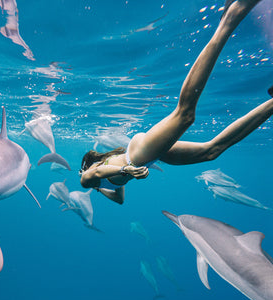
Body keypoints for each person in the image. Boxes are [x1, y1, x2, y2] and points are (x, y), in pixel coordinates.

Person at [80, 0, 273, 205]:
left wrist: (123, 169)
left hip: (135, 156)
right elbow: (119, 200)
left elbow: (99, 171)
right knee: (211, 151)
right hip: (146, 156)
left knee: (185, 115)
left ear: (86, 167)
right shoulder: (103, 185)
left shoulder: (86, 178)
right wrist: (102, 188)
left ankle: (230, 19)